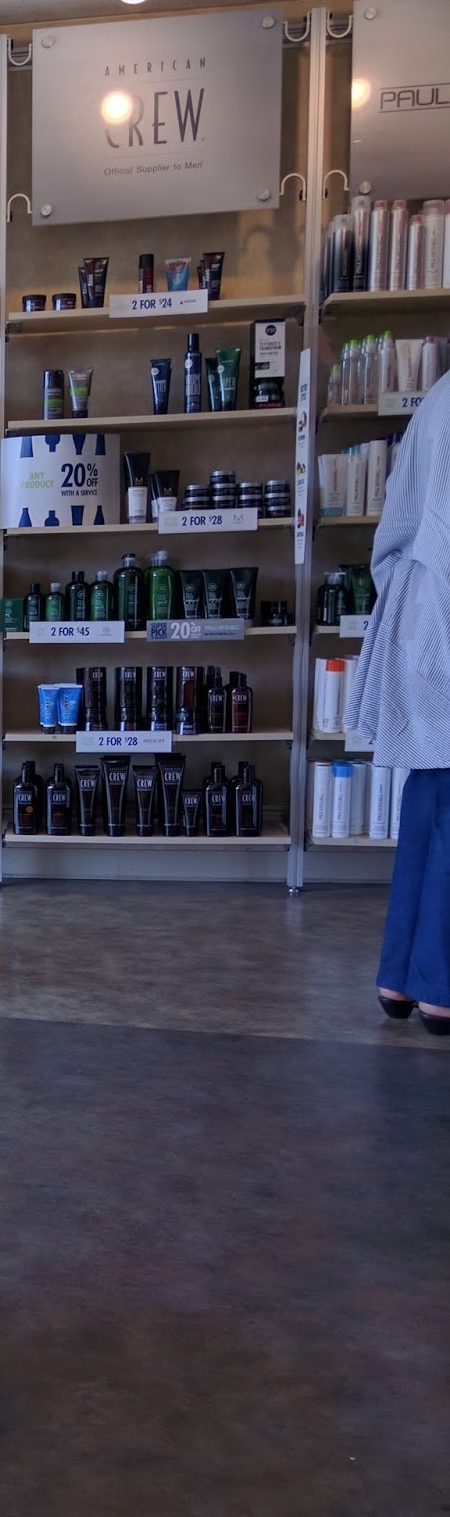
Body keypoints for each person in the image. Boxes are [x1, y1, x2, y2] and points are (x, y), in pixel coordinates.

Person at [346, 367, 450, 1036]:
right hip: (444, 604)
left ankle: (402, 979)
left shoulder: (440, 394)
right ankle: (441, 986)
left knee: (432, 794)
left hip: (418, 610)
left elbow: (396, 526)